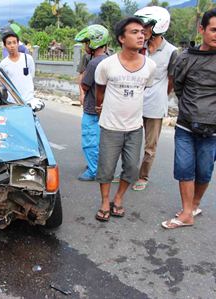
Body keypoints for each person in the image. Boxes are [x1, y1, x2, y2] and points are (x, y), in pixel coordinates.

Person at [94, 17, 156, 221]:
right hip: (110, 127)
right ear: (121, 38)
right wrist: (100, 107)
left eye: (142, 32)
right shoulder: (106, 65)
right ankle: (105, 201)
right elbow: (100, 89)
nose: (141, 35)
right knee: (106, 167)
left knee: (131, 167)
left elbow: (143, 89)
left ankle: (118, 198)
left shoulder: (150, 66)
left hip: (135, 127)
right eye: (134, 32)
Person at [162, 8, 216, 229]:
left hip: (212, 129)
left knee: (204, 170)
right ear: (201, 29)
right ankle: (186, 213)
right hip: (186, 125)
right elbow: (179, 86)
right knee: (184, 167)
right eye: (213, 29)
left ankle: (194, 204)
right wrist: (192, 107)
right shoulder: (185, 58)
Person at [131, 6, 178, 191]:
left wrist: (159, 96)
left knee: (150, 146)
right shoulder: (139, 48)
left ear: (158, 26)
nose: (142, 30)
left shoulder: (172, 52)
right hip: (134, 103)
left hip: (155, 105)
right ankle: (128, 172)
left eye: (146, 26)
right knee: (131, 142)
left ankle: (143, 176)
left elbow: (171, 81)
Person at [74, 25, 110, 181]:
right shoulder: (110, 59)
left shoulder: (94, 63)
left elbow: (84, 84)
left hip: (92, 107)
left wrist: (82, 92)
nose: (85, 46)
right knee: (103, 140)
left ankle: (93, 170)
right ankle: (103, 168)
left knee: (90, 140)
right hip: (106, 107)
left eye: (86, 42)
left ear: (94, 43)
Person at [0, 30, 44, 110]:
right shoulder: (3, 64)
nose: (12, 46)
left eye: (14, 42)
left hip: (29, 101)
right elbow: (4, 84)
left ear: (18, 43)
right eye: (9, 43)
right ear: (5, 46)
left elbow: (31, 76)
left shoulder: (28, 58)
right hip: (13, 102)